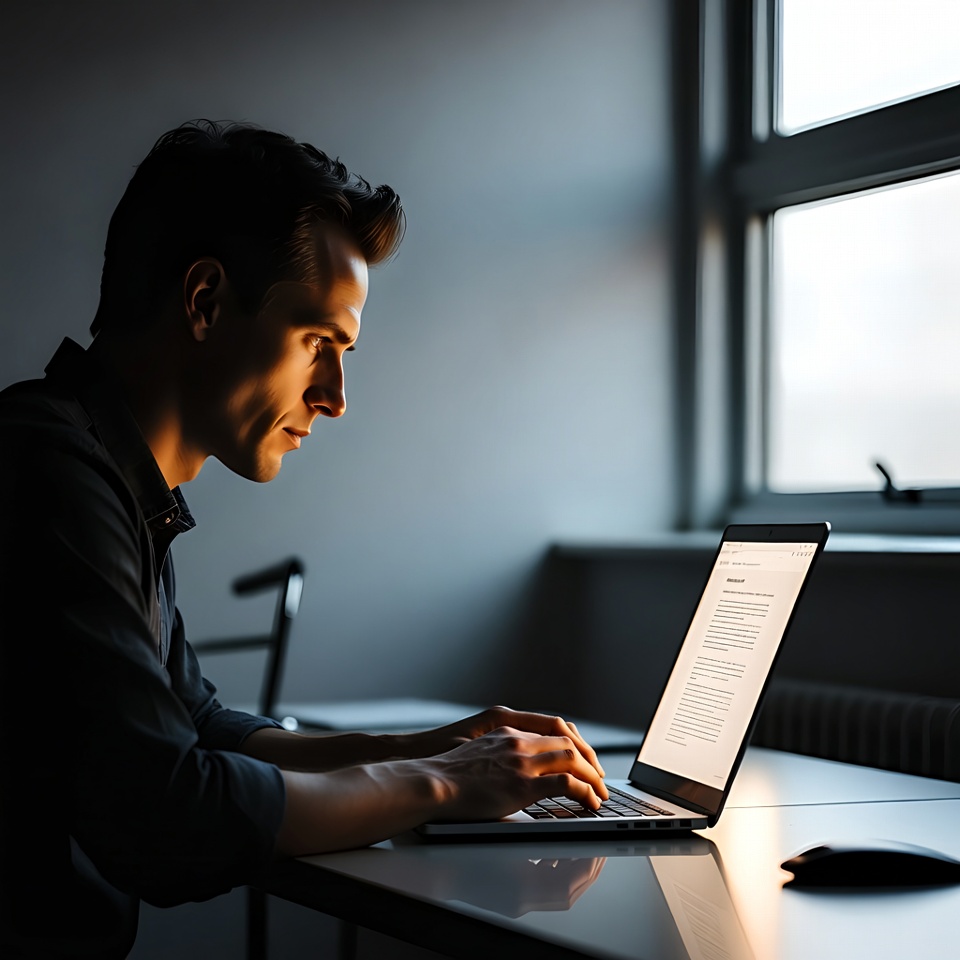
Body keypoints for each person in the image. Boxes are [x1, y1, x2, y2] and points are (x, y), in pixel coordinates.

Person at [0, 119, 608, 959]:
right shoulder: (46, 472)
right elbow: (167, 816)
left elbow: (201, 727)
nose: (336, 394)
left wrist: (432, 746)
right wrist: (437, 784)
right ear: (205, 301)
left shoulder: (106, 475)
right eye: (319, 341)